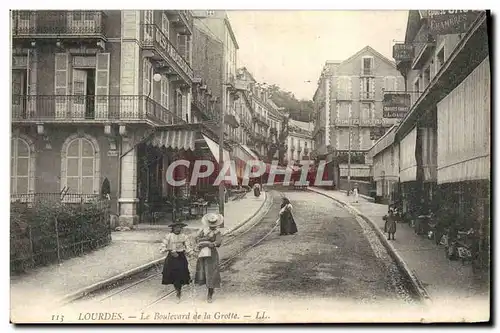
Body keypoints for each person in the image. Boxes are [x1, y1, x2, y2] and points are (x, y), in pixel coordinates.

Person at [160, 221, 193, 303]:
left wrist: (191, 253)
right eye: (176, 227)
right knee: (174, 275)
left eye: (180, 227)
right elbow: (162, 247)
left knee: (181, 274)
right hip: (171, 257)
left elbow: (188, 247)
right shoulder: (168, 236)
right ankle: (178, 291)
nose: (178, 229)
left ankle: (179, 291)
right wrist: (169, 250)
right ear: (173, 228)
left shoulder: (184, 236)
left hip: (181, 257)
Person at [195, 213, 223, 303]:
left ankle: (210, 293)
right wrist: (205, 242)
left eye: (214, 225)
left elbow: (218, 242)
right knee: (203, 271)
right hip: (203, 253)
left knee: (211, 272)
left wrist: (212, 243)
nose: (212, 226)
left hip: (212, 254)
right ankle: (207, 287)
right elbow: (197, 239)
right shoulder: (203, 230)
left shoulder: (217, 232)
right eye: (211, 224)